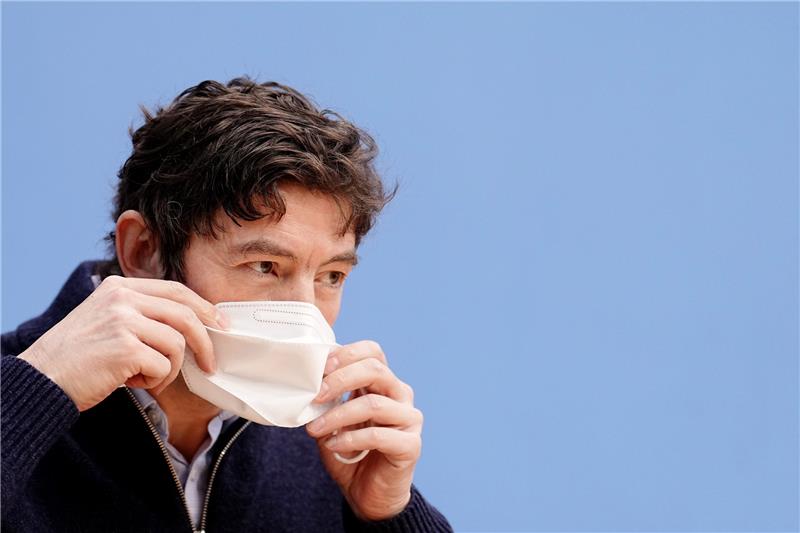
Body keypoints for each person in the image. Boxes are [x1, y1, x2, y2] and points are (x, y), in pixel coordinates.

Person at [1, 77, 453, 532]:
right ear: (143, 251)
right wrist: (37, 392)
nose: (305, 314)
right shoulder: (13, 399)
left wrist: (387, 515)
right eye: (264, 265)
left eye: (330, 277)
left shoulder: (331, 450)